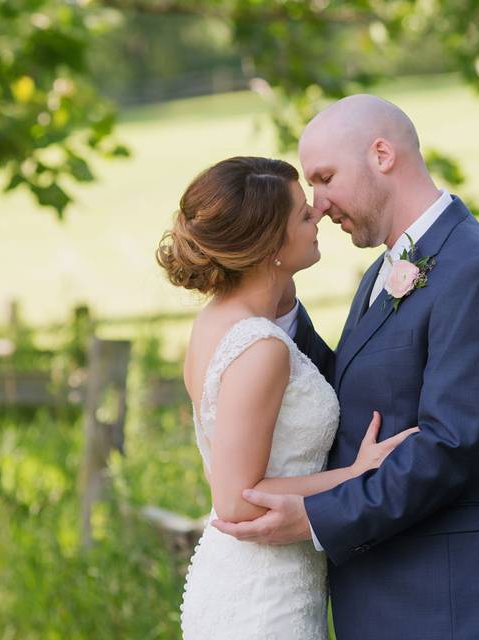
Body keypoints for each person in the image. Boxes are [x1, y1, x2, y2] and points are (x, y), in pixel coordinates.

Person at [211, 95, 479, 640]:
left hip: (462, 605)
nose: (319, 204)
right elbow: (357, 396)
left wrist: (315, 517)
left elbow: (452, 446)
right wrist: (271, 298)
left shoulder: (476, 272)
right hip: (392, 602)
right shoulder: (387, 267)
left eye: (326, 178)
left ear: (382, 154)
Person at [156, 155, 418, 639]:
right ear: (270, 245)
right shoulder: (261, 348)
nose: (317, 213)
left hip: (255, 576)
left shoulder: (215, 321)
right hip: (264, 598)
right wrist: (355, 475)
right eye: (302, 213)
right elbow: (236, 499)